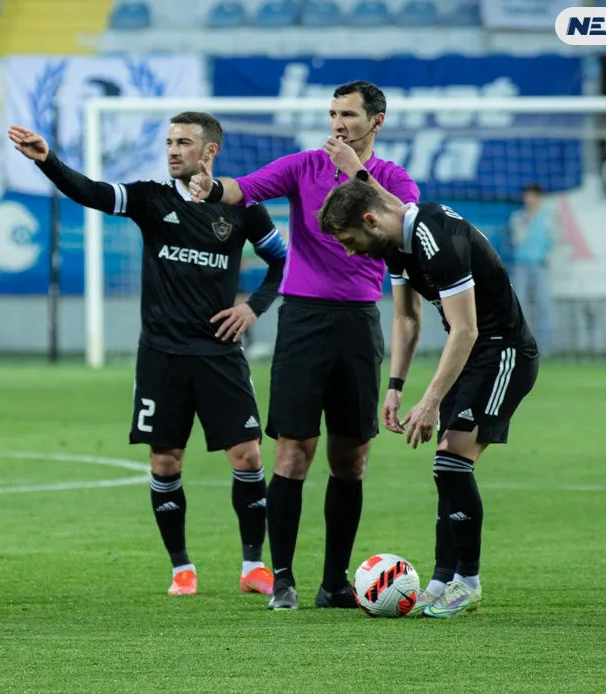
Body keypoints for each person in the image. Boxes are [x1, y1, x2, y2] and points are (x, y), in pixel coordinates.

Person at [8, 112, 288, 598]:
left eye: (184, 142)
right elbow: (90, 191)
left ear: (210, 151)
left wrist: (253, 310)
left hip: (220, 356)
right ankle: (182, 568)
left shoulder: (243, 206)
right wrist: (48, 161)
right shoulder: (149, 198)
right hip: (161, 356)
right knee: (164, 463)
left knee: (247, 454)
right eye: (169, 142)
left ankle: (253, 566)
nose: (174, 150)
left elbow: (283, 262)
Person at [189, 81, 420, 610]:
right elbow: (243, 188)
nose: (338, 124)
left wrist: (353, 173)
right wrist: (210, 186)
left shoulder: (389, 178)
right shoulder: (302, 166)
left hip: (360, 323)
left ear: (376, 122)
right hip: (303, 321)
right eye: (333, 113)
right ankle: (286, 579)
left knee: (352, 459)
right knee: (293, 452)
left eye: (349, 115)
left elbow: (404, 223)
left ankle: (335, 582)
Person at [317, 180, 540, 618]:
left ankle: (468, 584)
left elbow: (467, 329)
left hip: (503, 350)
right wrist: (396, 387)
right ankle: (440, 581)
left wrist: (431, 400)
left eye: (348, 241)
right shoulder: (393, 245)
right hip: (471, 355)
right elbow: (405, 316)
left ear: (370, 221)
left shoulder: (437, 239)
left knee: (452, 461)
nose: (348, 252)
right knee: (447, 470)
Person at [508, 183, 555, 356]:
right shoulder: (517, 217)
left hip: (541, 265)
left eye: (533, 195)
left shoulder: (548, 217)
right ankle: (521, 344)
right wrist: (526, 222)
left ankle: (545, 347)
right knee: (520, 305)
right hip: (521, 265)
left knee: (544, 305)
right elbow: (516, 240)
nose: (530, 199)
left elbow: (554, 241)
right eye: (527, 195)